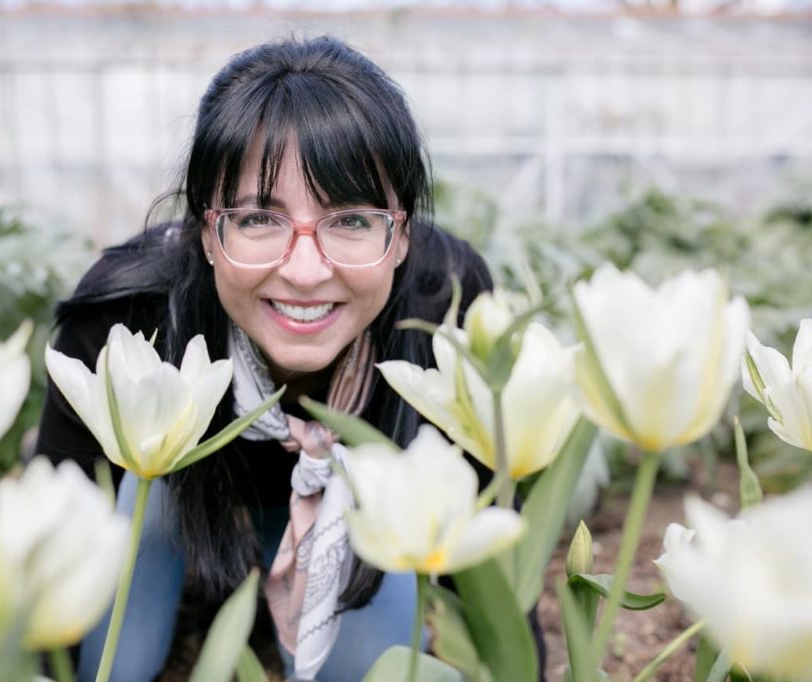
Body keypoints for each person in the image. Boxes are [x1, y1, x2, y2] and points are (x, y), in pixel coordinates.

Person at [36, 35, 532, 681]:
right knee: (116, 622)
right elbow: (52, 526)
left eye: (351, 220)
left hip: (356, 529)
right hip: (176, 516)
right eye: (257, 219)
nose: (304, 271)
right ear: (205, 232)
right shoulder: (128, 317)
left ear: (403, 233)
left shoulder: (447, 312)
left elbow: (485, 548)